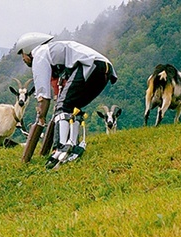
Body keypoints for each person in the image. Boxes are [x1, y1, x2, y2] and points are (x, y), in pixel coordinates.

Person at [15, 32, 117, 169]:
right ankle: (72, 145)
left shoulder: (39, 54)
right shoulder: (53, 54)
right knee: (73, 107)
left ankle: (61, 148)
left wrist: (41, 115)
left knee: (64, 107)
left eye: (22, 54)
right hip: (104, 68)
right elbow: (60, 89)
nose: (23, 58)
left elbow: (43, 94)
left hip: (89, 65)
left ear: (29, 49)